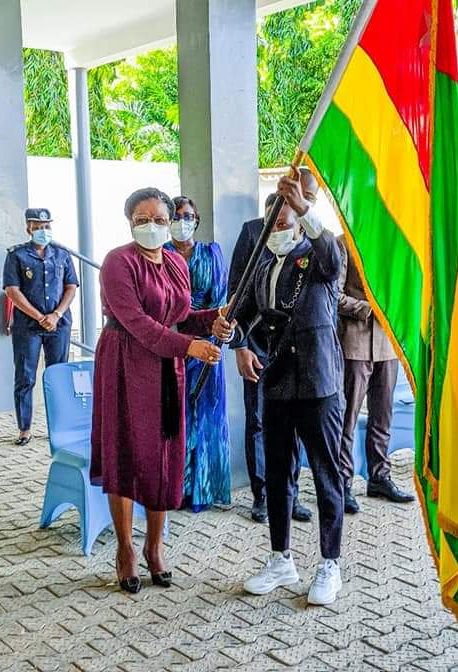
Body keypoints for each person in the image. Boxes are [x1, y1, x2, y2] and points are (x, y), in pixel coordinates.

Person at [215, 174, 346, 606]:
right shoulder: (263, 265)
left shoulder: (321, 257)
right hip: (277, 382)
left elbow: (332, 256)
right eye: (272, 225)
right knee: (276, 475)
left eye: (285, 223)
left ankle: (330, 563)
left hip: (318, 382)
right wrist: (229, 331)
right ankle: (280, 557)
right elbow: (242, 315)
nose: (278, 231)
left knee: (326, 473)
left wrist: (305, 211)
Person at [90, 187, 228, 594]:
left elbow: (180, 318)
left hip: (168, 368)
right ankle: (126, 550)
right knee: (127, 452)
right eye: (143, 219)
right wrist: (190, 346)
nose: (153, 226)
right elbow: (138, 323)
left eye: (161, 220)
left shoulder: (174, 263)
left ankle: (154, 546)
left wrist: (213, 320)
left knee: (164, 456)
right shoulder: (118, 262)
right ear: (130, 221)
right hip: (124, 363)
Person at [228, 169, 320, 525]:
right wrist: (242, 346)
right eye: (301, 192)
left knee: (293, 424)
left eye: (310, 196)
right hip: (257, 344)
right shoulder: (254, 229)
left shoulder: (314, 233)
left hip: (296, 351)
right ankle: (262, 494)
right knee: (258, 421)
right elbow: (237, 291)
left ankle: (290, 494)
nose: (305, 200)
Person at [337, 234, 414, 511]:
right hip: (354, 343)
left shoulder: (393, 244)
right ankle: (342, 482)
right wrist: (367, 310)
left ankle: (379, 477)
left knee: (383, 416)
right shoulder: (342, 243)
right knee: (348, 417)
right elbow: (334, 295)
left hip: (387, 345)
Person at [164, 196, 231, 512]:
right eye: (176, 216)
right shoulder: (159, 255)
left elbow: (220, 302)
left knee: (205, 417)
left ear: (197, 219)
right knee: (175, 419)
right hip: (169, 346)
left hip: (207, 346)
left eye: (188, 215)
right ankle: (174, 487)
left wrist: (214, 335)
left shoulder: (211, 253)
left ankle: (202, 489)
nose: (182, 221)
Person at [3, 208, 79, 446]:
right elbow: (12, 291)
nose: (42, 231)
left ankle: (59, 426)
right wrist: (39, 317)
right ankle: (24, 428)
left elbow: (71, 286)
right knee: (25, 376)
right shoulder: (16, 256)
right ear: (28, 228)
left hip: (59, 323)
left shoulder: (62, 254)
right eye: (37, 226)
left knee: (58, 376)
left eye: (46, 226)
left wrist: (56, 314)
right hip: (28, 326)